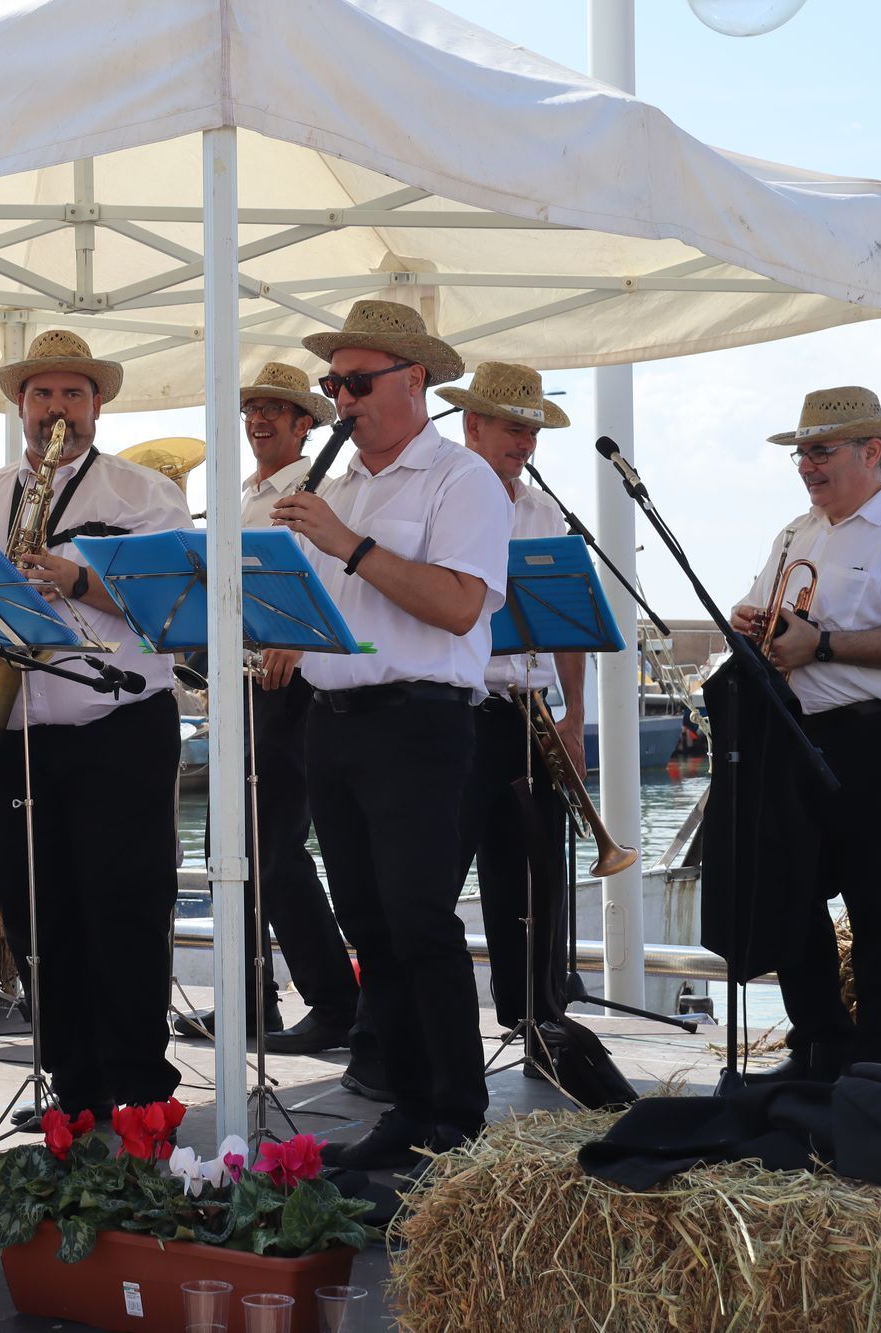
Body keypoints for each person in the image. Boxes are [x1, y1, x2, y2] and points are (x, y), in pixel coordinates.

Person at [0, 329, 186, 1119]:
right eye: (41, 394)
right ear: (20, 405)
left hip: (119, 725)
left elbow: (173, 602)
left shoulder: (143, 494)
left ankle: (141, 1087)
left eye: (72, 394)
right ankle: (73, 1087)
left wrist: (79, 579)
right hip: (14, 734)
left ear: (97, 407)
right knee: (36, 912)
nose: (57, 408)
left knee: (125, 906)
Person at [268, 300, 510, 1171]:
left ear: (415, 380)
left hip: (419, 722)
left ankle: (458, 1115)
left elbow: (457, 605)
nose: (342, 399)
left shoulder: (460, 479)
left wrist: (349, 544)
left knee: (419, 921)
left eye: (358, 382)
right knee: (369, 925)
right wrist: (281, 615)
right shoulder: (338, 488)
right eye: (334, 383)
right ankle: (407, 1107)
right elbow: (334, 605)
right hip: (333, 723)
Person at [729, 387, 881, 1082]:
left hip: (870, 738)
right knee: (791, 892)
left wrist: (821, 644)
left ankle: (879, 1062)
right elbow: (766, 611)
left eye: (821, 451)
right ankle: (819, 1044)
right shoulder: (795, 533)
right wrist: (754, 623)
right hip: (793, 733)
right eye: (801, 453)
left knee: (874, 899)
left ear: (872, 451)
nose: (806, 465)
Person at [174, 362, 359, 1054]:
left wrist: (296, 639)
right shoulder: (241, 496)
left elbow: (339, 581)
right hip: (240, 687)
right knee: (228, 848)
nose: (258, 419)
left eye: (275, 410)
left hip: (294, 690)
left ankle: (335, 1002)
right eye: (251, 408)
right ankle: (251, 1002)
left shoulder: (327, 491)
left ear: (304, 423)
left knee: (276, 852)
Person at [439, 363, 583, 1073]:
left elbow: (570, 621)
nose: (525, 443)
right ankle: (419, 1037)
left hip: (528, 712)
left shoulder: (543, 511)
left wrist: (574, 715)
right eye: (513, 429)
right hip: (461, 709)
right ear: (473, 425)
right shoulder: (442, 493)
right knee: (438, 874)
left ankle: (538, 1024)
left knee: (535, 880)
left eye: (532, 432)